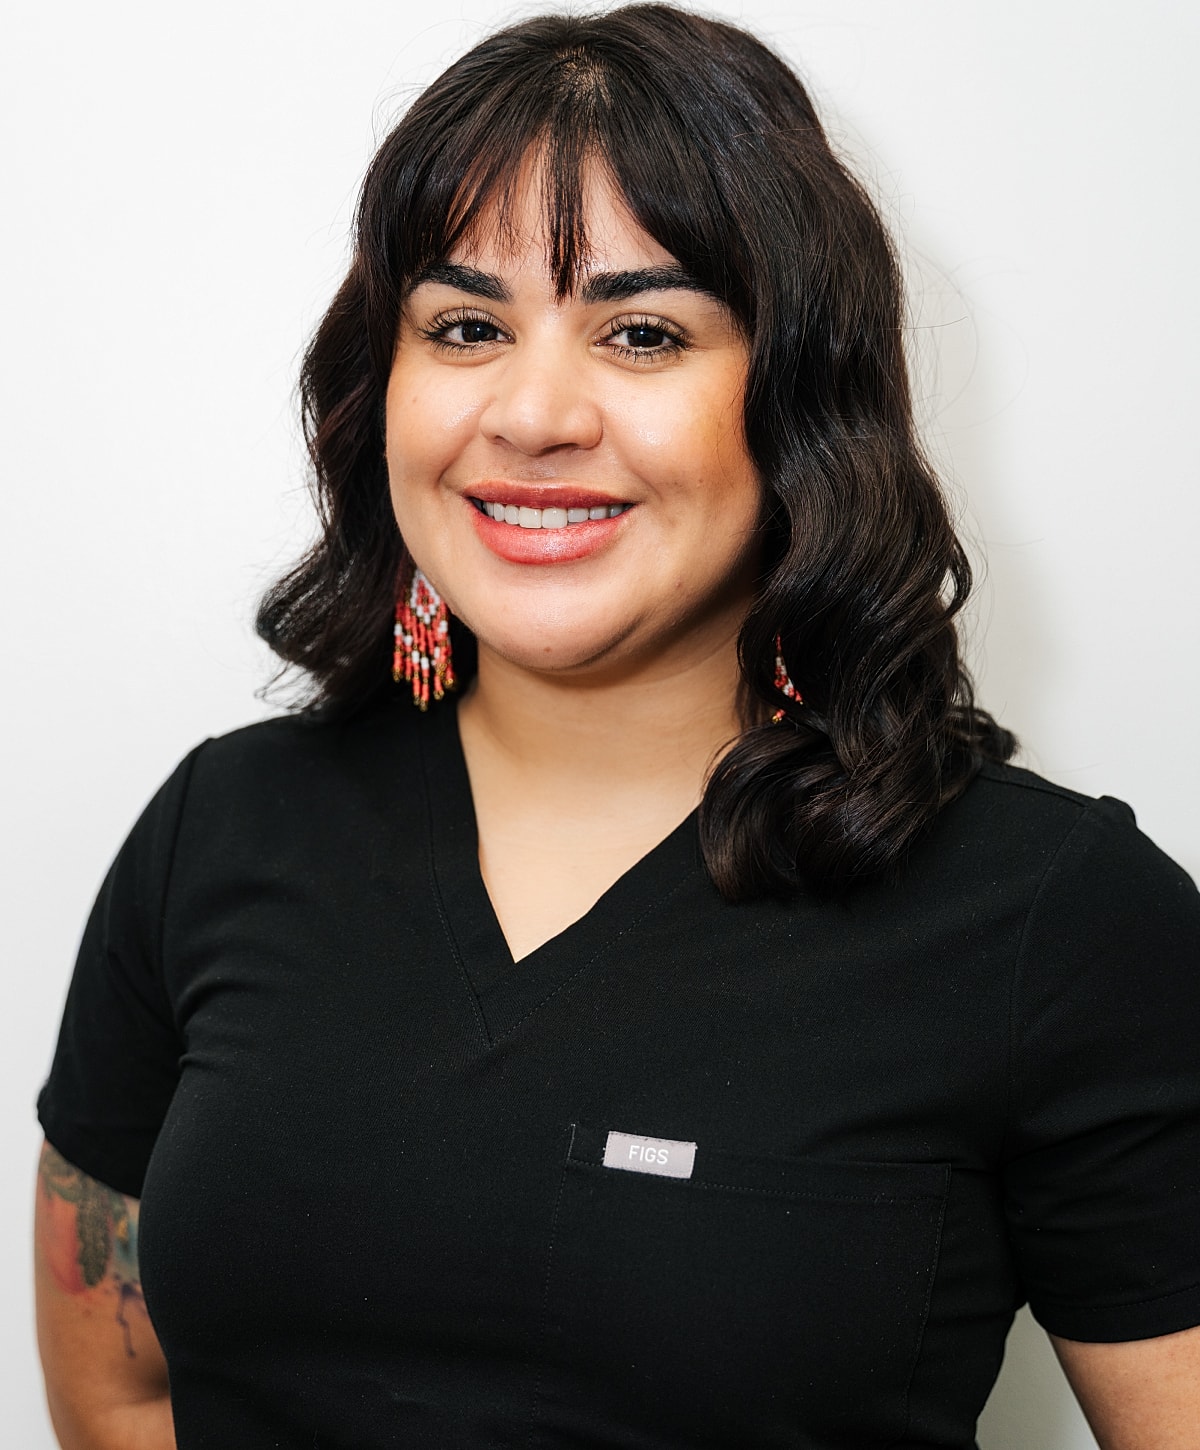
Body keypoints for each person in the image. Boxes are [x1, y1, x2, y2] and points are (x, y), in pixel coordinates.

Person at [33, 6, 1200, 1448]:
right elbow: (122, 1387)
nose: (531, 411)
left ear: (797, 395)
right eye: (465, 326)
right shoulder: (221, 829)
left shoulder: (1059, 919)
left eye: (642, 332)